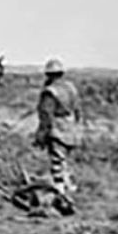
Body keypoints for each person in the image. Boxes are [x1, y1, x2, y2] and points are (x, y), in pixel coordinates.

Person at [34, 58, 80, 199]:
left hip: (57, 128)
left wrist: (41, 134)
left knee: (57, 159)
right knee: (65, 159)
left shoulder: (50, 92)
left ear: (48, 75)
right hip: (71, 125)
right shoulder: (71, 88)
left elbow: (46, 115)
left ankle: (60, 189)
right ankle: (68, 186)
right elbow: (77, 109)